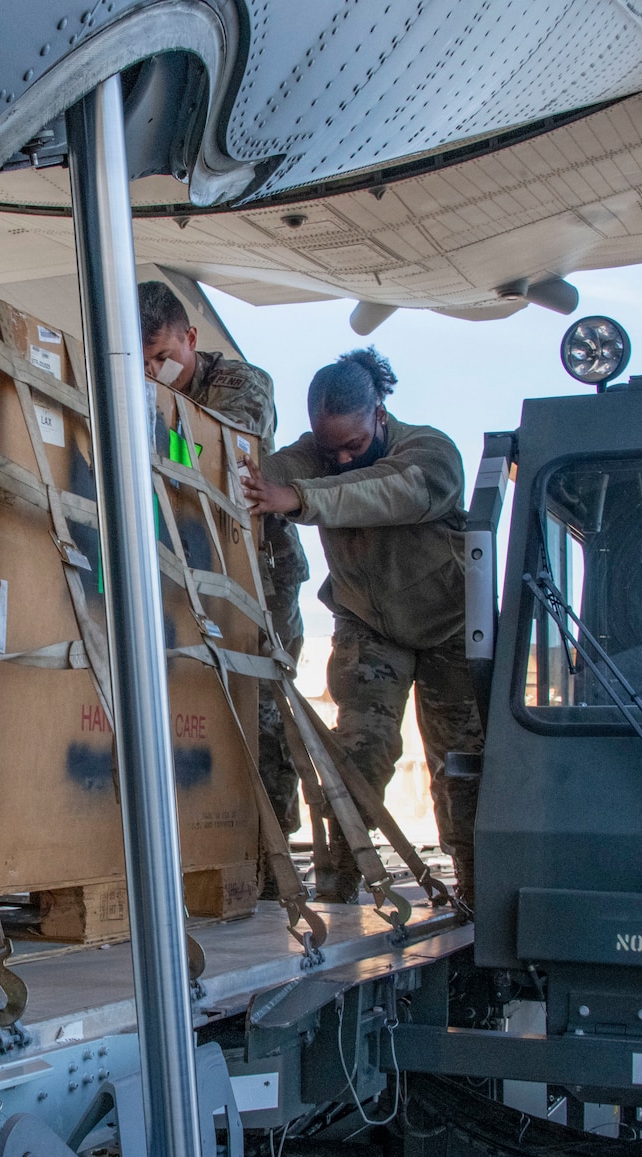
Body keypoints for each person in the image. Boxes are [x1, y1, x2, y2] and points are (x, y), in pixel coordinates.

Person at [241, 347, 482, 909]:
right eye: (332, 450)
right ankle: (337, 890)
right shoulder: (314, 457)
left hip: (452, 629)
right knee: (356, 756)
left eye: (355, 444)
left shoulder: (430, 451)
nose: (344, 459)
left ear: (380, 413)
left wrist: (299, 497)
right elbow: (261, 474)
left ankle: (477, 892)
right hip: (369, 626)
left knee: (463, 766)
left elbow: (389, 490)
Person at [137, 281, 310, 877]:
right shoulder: (145, 390)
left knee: (263, 714)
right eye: (141, 361)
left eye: (163, 356)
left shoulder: (240, 384)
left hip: (258, 577)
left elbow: (219, 457)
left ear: (191, 339)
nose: (154, 372)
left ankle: (269, 862)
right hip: (187, 568)